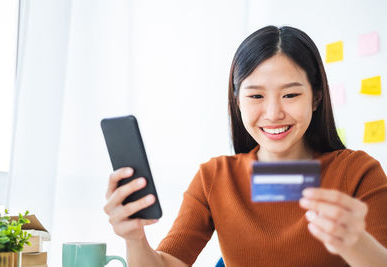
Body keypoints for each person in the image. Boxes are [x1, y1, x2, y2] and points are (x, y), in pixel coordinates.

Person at [103, 25, 387, 266]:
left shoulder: (359, 172)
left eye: (290, 94)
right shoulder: (215, 177)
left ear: (316, 98)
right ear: (237, 101)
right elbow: (169, 261)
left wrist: (355, 243)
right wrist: (134, 238)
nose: (274, 113)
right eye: (256, 96)